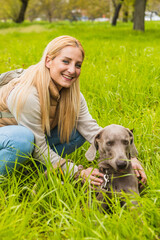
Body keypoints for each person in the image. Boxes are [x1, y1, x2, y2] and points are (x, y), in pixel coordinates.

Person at [0, 35, 147, 186]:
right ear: (48, 61)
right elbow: (38, 146)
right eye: (65, 61)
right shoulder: (28, 95)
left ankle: (35, 172)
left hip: (30, 142)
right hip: (9, 139)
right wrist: (77, 172)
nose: (72, 70)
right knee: (22, 139)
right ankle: (5, 180)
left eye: (78, 65)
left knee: (77, 133)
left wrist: (129, 158)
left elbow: (92, 131)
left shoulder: (73, 94)